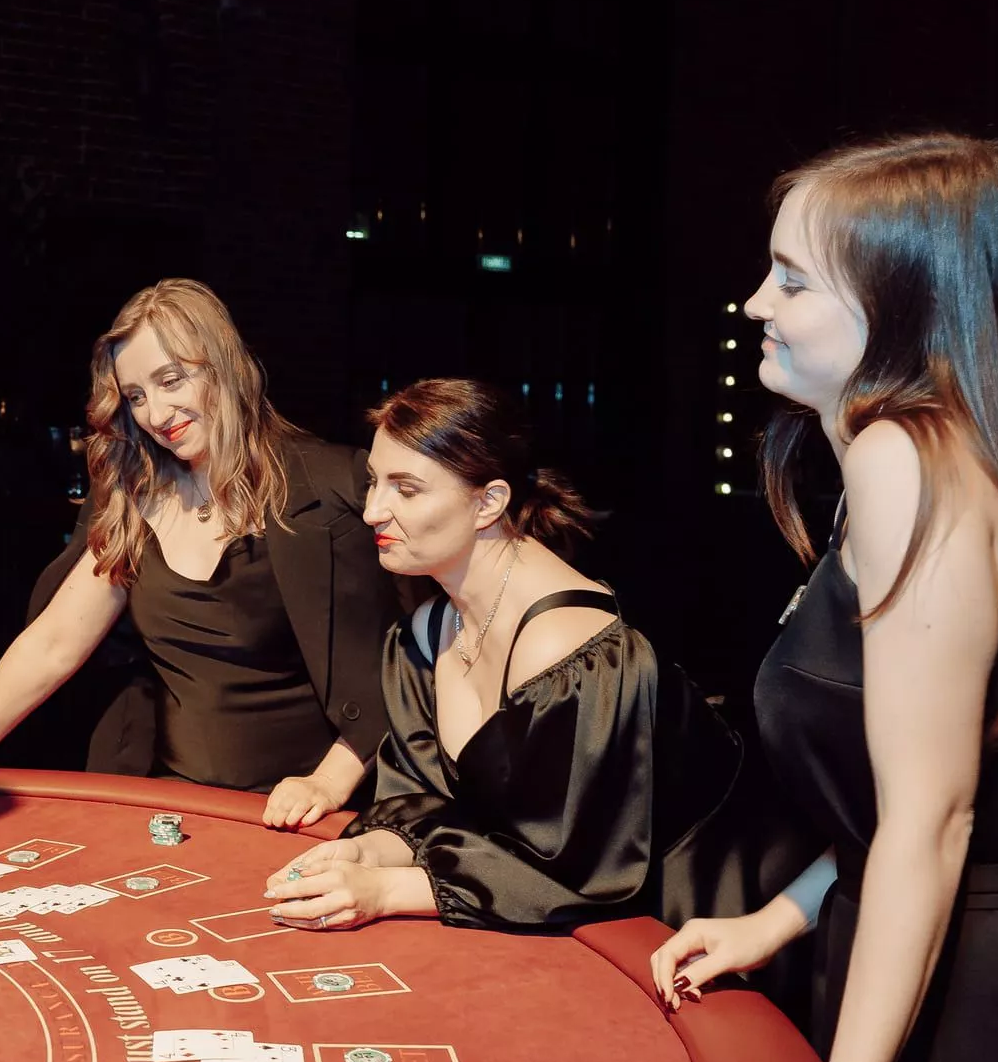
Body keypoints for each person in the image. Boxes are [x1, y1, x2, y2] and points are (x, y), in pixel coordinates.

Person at [649, 134, 998, 1062]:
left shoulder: (903, 460)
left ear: (903, 304)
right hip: (990, 958)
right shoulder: (963, 451)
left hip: (976, 1000)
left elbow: (934, 819)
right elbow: (927, 801)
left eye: (789, 279)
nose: (753, 304)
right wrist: (774, 920)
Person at [264, 378, 800, 933]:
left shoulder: (567, 647)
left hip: (708, 908)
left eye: (407, 489)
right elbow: (430, 803)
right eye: (375, 482)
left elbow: (580, 866)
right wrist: (369, 854)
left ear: (489, 501)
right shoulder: (427, 631)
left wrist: (386, 890)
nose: (373, 509)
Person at [0, 279, 399, 827]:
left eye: (171, 381)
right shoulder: (133, 494)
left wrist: (328, 781)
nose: (156, 413)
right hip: (176, 802)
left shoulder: (331, 487)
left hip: (309, 807)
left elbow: (404, 659)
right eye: (136, 396)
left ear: (224, 368)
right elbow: (53, 644)